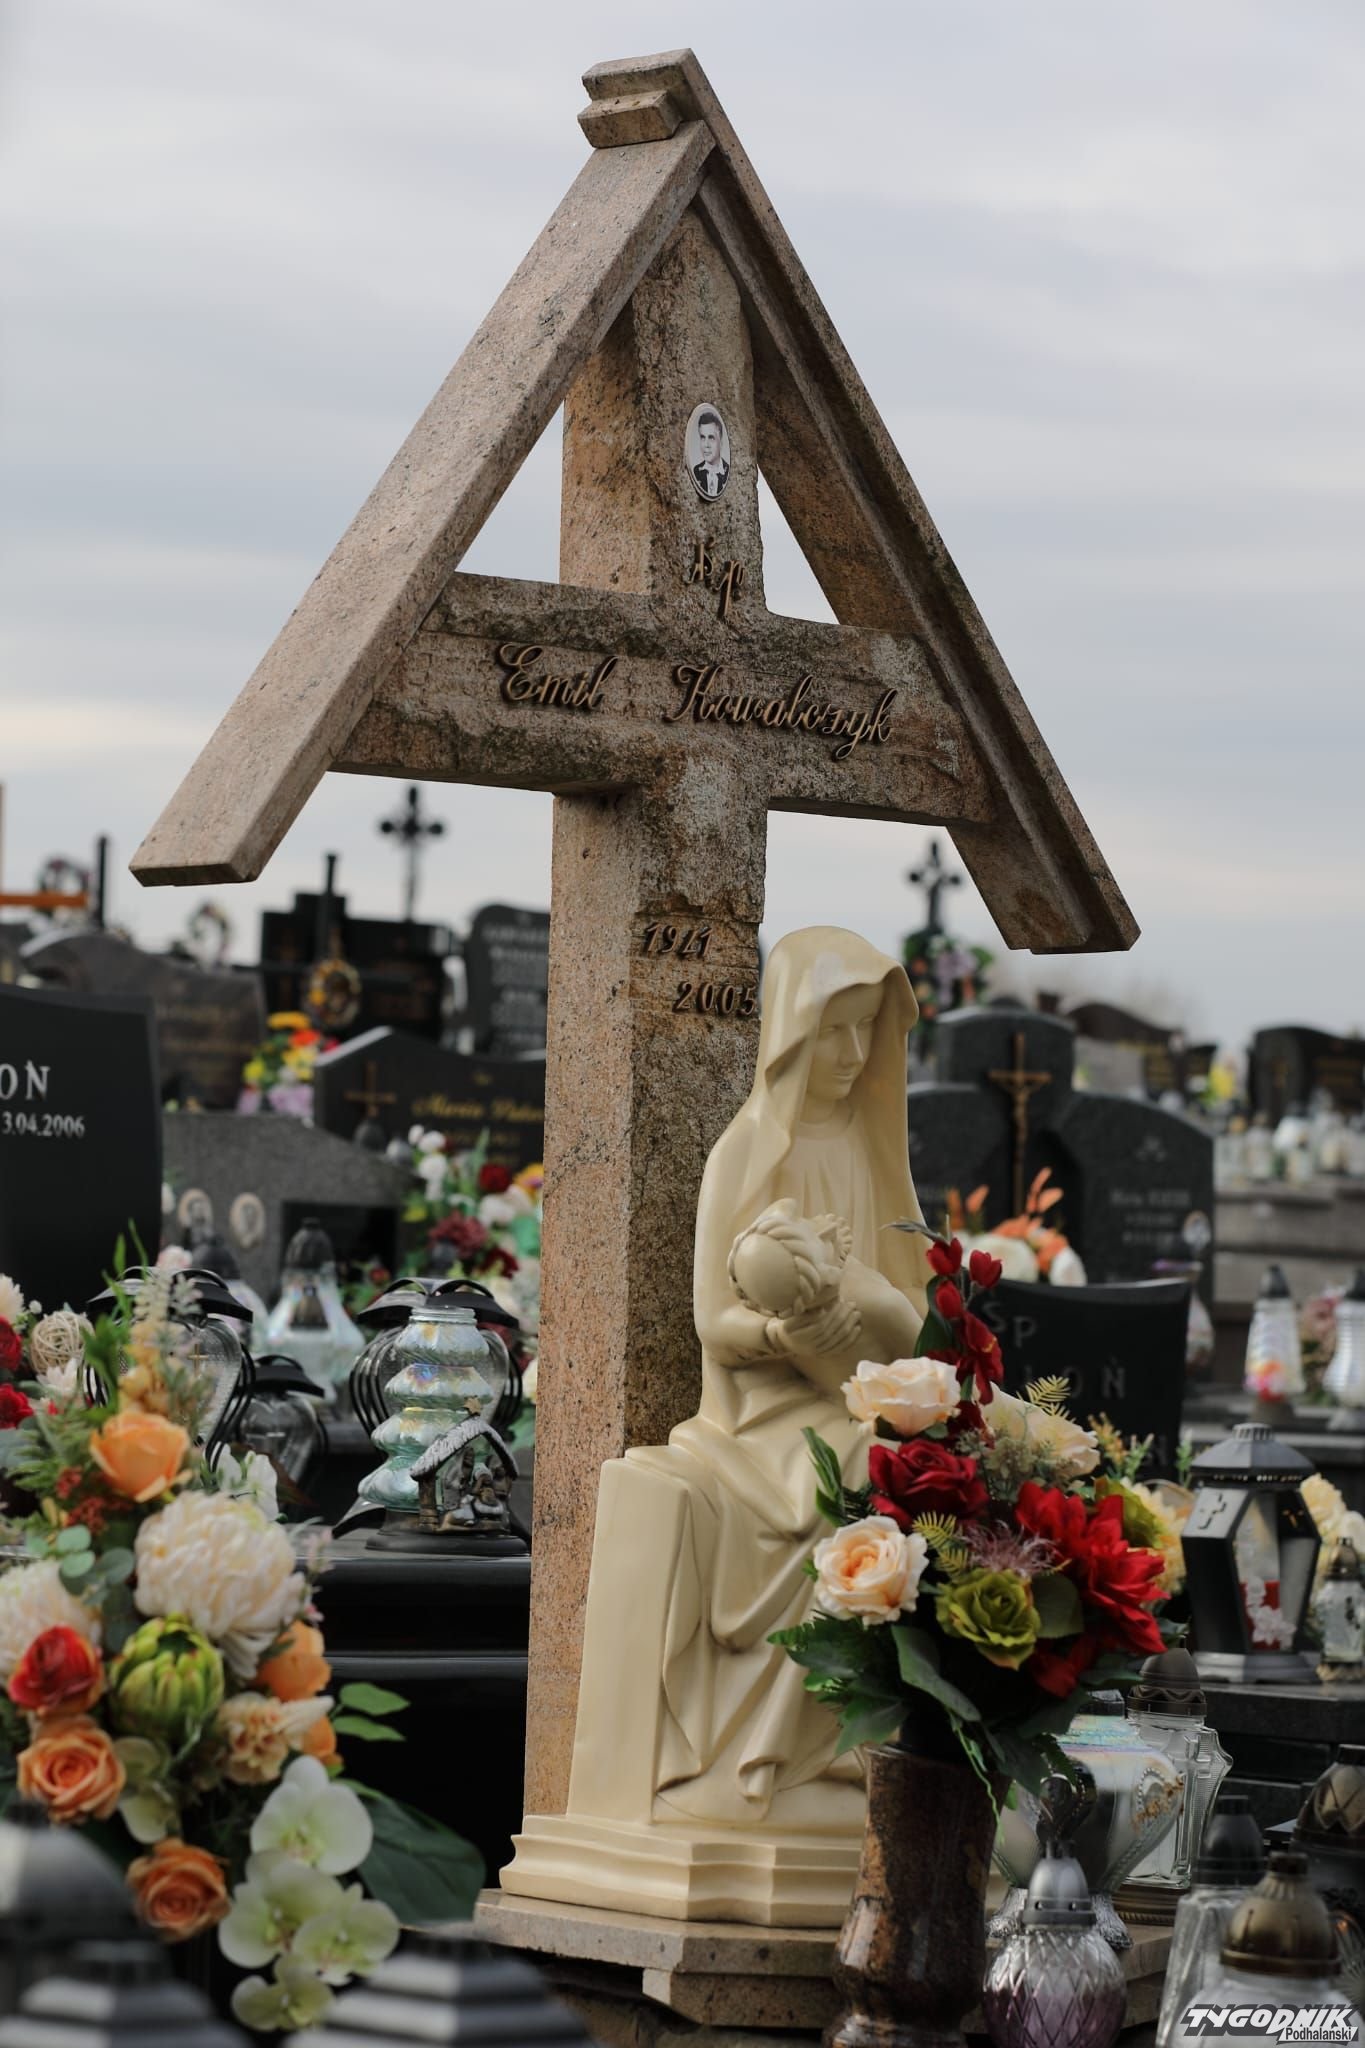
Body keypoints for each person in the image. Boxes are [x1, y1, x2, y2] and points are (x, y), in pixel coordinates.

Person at [568, 928, 935, 1834]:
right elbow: (712, 1322)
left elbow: (908, 1302)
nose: (851, 1053)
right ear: (789, 1032)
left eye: (867, 1031)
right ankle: (779, 1762)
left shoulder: (868, 1149)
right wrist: (784, 1332)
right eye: (834, 1029)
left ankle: (882, 1746)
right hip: (758, 1415)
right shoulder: (747, 1151)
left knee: (937, 1465)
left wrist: (871, 1316)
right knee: (853, 1482)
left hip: (856, 1385)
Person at [690, 409, 730, 498]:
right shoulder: (696, 471)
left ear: (721, 442)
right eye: (703, 437)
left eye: (711, 438)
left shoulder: (727, 471)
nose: (706, 445)